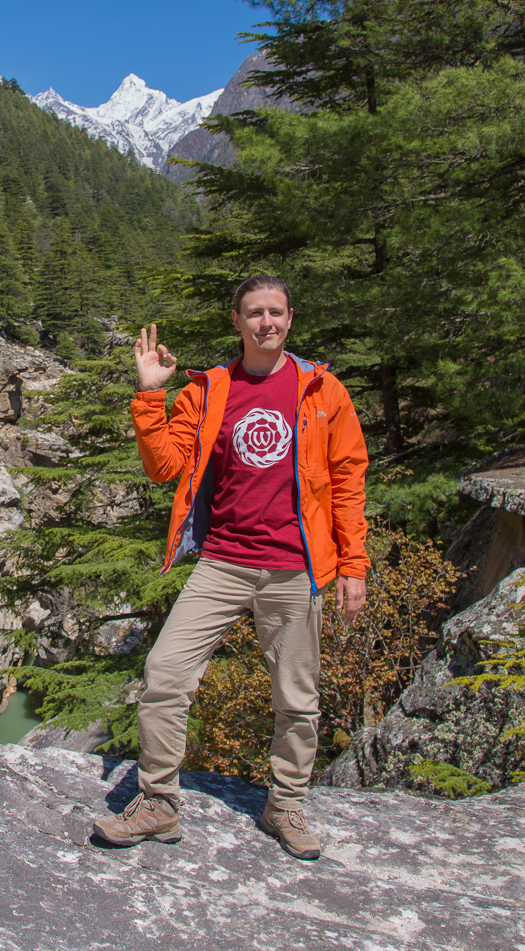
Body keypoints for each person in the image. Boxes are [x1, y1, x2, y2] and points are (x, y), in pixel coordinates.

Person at [91, 275, 369, 860]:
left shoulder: (323, 390)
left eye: (276, 312)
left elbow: (347, 479)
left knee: (297, 697)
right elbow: (164, 466)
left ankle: (285, 805)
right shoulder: (210, 389)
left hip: (295, 567)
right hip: (223, 560)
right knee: (165, 674)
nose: (267, 323)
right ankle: (159, 803)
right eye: (255, 313)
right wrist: (150, 395)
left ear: (290, 317)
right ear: (236, 321)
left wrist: (353, 564)